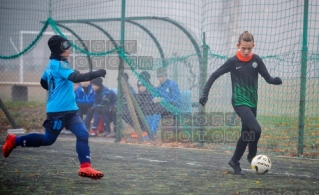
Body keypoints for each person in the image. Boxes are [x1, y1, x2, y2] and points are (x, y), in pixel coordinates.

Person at [2, 35, 106, 179]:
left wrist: (58, 88)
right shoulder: (60, 64)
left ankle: (85, 167)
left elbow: (44, 82)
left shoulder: (52, 63)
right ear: (59, 49)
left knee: (83, 134)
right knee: (47, 140)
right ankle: (15, 140)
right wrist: (96, 74)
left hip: (70, 110)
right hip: (58, 112)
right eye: (66, 47)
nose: (69, 50)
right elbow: (75, 78)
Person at [199, 31, 282, 175]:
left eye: (249, 48)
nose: (246, 51)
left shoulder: (256, 60)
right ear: (238, 45)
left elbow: (268, 78)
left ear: (253, 46)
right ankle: (252, 156)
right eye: (243, 48)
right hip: (239, 102)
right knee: (256, 129)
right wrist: (205, 94)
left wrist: (275, 80)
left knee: (247, 133)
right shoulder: (233, 62)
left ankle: (234, 161)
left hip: (252, 102)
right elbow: (214, 75)